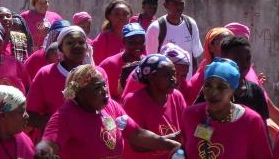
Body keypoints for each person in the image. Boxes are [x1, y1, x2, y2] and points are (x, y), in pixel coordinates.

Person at [34, 65, 181, 159]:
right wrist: (44, 152)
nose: (104, 91)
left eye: (104, 85)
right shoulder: (65, 116)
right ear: (80, 93)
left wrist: (169, 144)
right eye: (97, 88)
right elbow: (47, 144)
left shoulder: (111, 106)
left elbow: (136, 134)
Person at [179, 58, 272, 159]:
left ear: (233, 90)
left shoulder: (251, 122)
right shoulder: (190, 115)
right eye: (208, 85)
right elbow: (184, 150)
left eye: (221, 87)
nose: (213, 92)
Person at [26, 26, 103, 141]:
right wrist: (64, 122)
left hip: (90, 142)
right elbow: (30, 116)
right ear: (61, 48)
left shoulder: (98, 74)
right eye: (70, 43)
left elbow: (106, 109)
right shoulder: (46, 74)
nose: (76, 46)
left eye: (81, 42)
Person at [121, 54, 187, 159]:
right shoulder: (133, 101)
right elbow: (137, 145)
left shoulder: (177, 96)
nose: (173, 79)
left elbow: (186, 128)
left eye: (174, 74)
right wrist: (175, 138)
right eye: (167, 75)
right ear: (151, 78)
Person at [144, 0, 203, 71]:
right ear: (165, 5)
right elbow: (151, 61)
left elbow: (194, 56)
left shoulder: (191, 24)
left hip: (187, 81)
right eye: (175, 4)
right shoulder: (155, 28)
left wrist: (193, 80)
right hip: (165, 82)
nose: (179, 7)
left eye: (181, 4)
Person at [99, 23, 146, 100]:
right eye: (132, 42)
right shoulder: (108, 65)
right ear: (124, 41)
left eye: (141, 41)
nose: (138, 45)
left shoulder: (149, 64)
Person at [92, 0, 133, 64]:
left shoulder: (136, 39)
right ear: (109, 17)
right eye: (117, 14)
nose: (121, 17)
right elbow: (97, 67)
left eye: (125, 14)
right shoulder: (102, 40)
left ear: (130, 16)